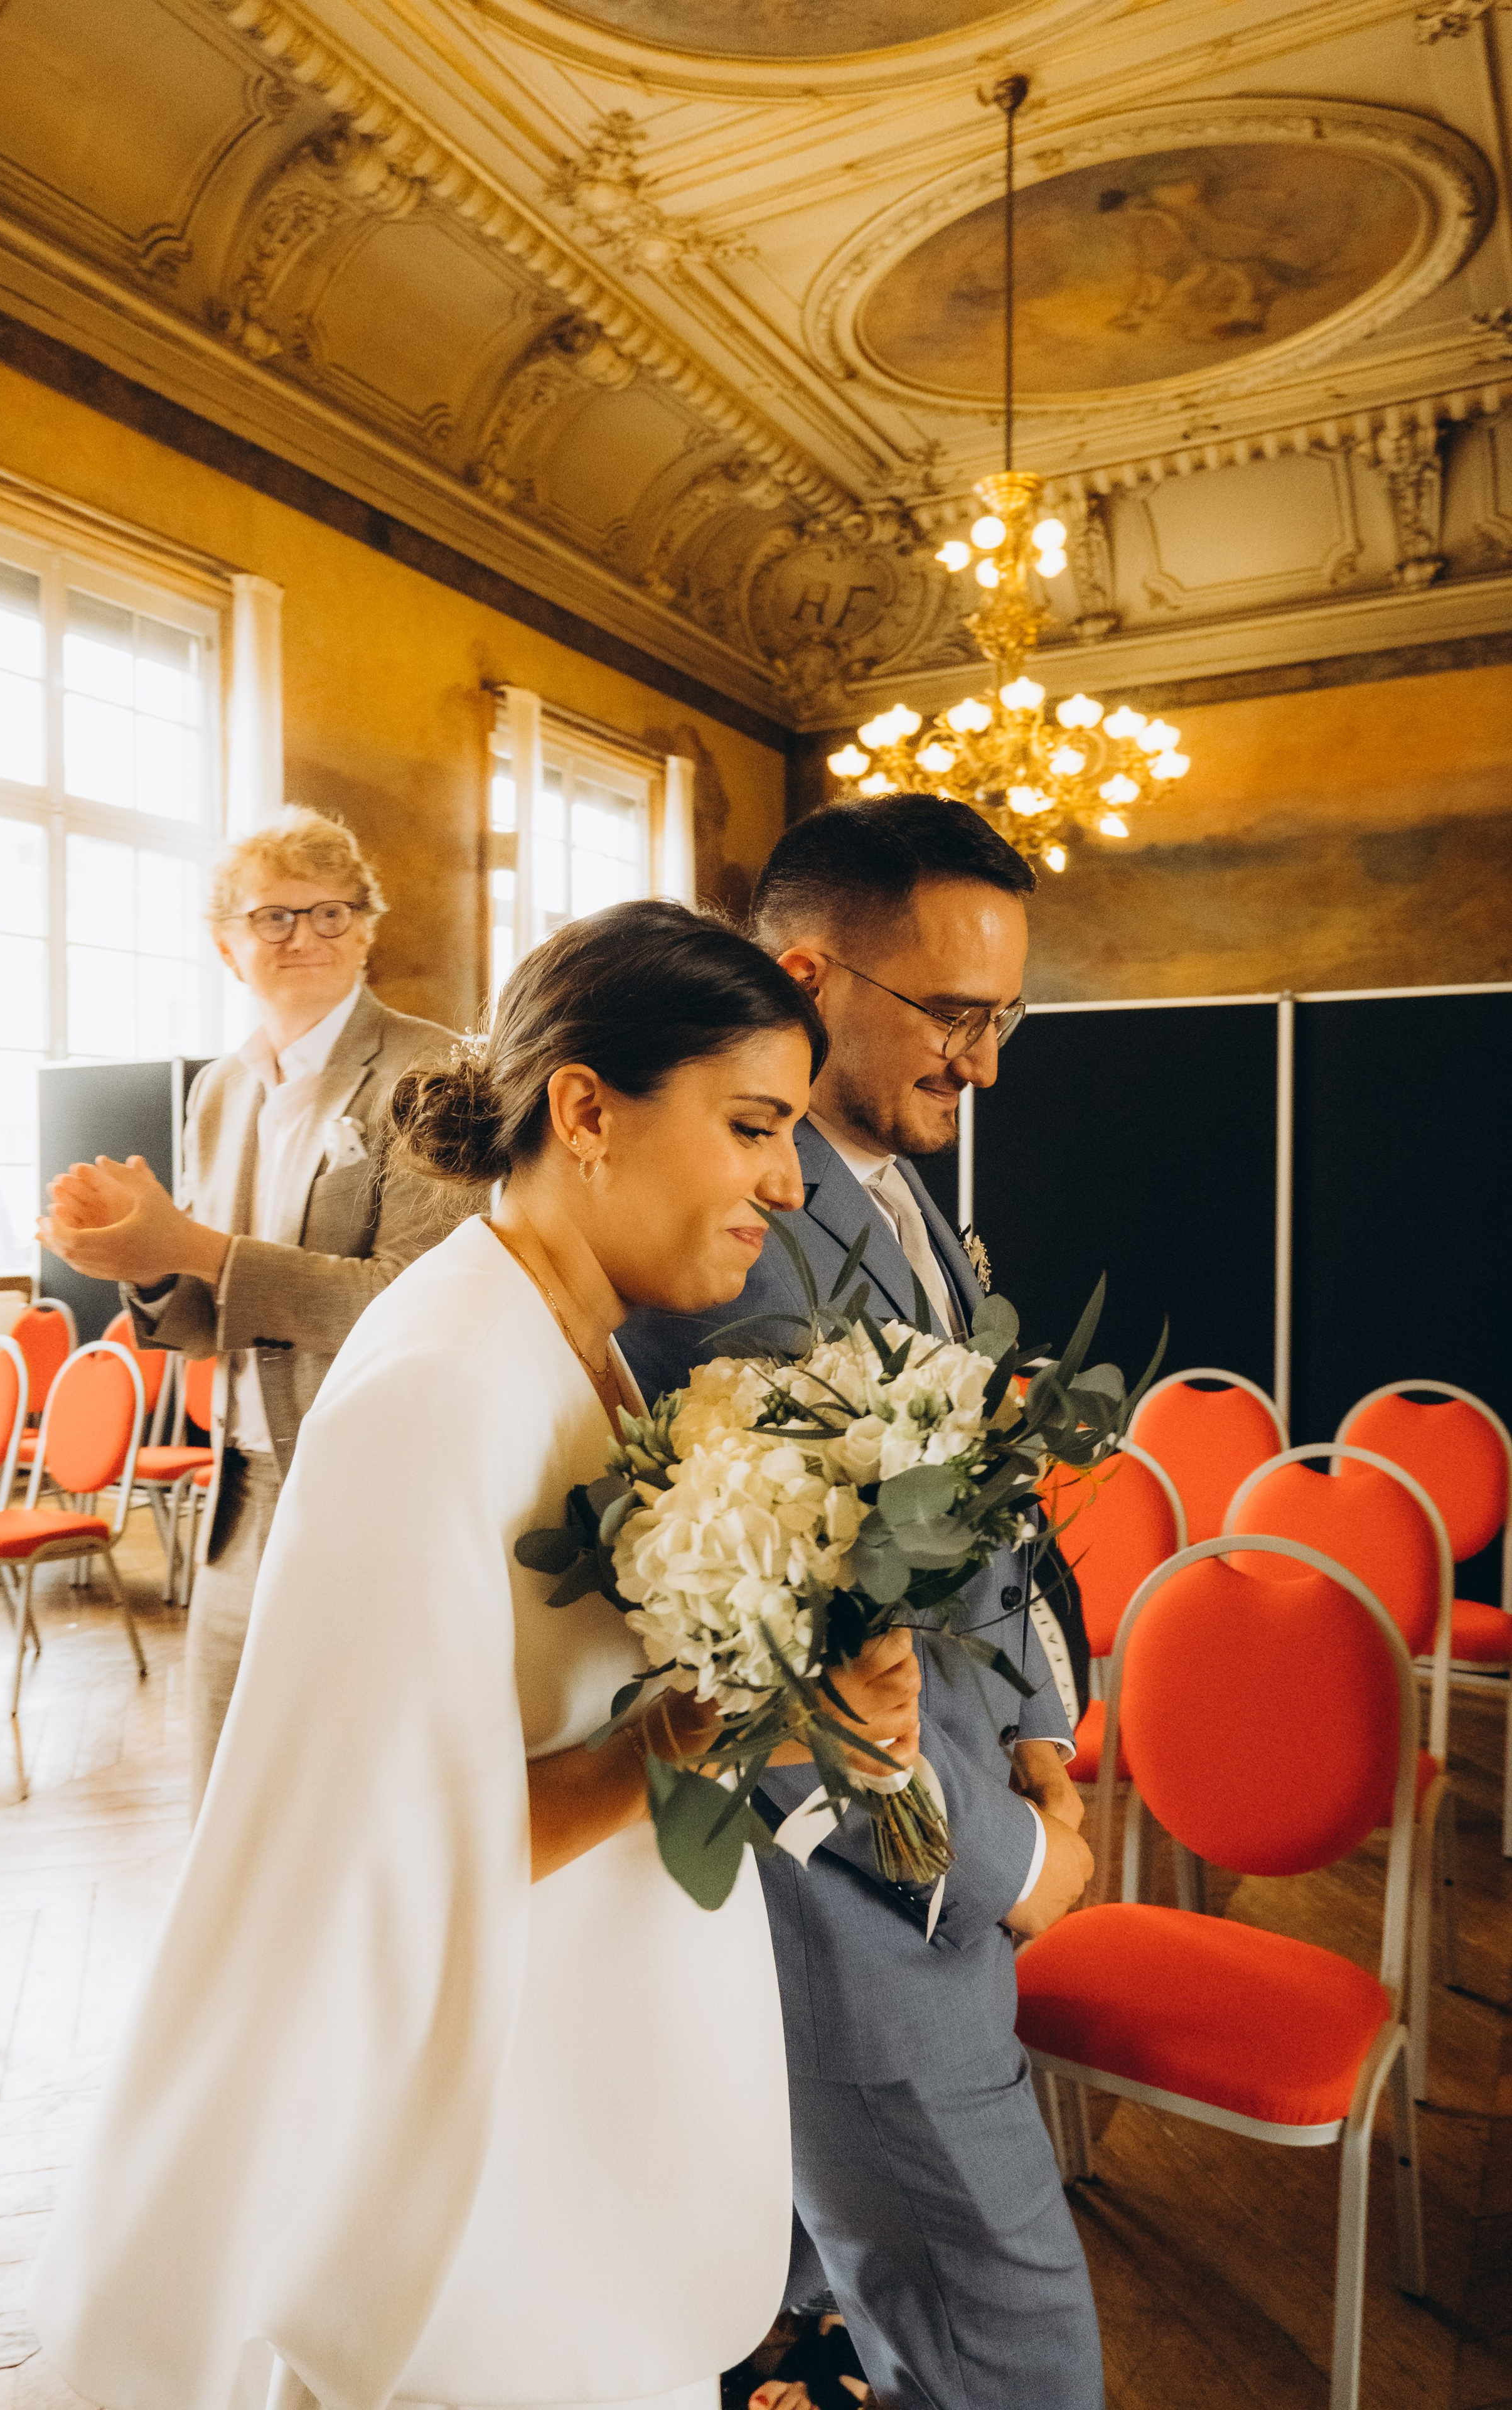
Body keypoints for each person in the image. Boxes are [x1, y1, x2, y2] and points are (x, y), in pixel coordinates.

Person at [29, 897, 923, 2410]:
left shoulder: (578, 1339)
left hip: (579, 2068)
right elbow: (372, 1854)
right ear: (585, 1108)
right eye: (753, 1124)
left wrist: (793, 1706)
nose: (785, 1179)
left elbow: (546, 1704)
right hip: (480, 2141)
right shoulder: (443, 1380)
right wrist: (712, 1725)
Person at [623, 798, 1103, 2410]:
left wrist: (1039, 1736)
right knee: (1020, 2353)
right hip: (860, 1907)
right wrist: (1011, 1855)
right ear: (809, 975)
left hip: (958, 1816)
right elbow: (779, 1632)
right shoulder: (741, 1243)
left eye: (1001, 1016)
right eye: (954, 1014)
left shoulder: (896, 1199)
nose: (983, 1063)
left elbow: (986, 1530)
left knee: (871, 2328)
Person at [40, 805, 477, 1809]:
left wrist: (191, 1244)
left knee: (352, 1801)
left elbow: (419, 1302)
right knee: (225, 1805)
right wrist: (135, 1258)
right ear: (225, 943)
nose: (306, 939)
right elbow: (210, 1312)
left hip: (376, 1491)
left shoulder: (431, 1071)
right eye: (274, 918)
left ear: (369, 928)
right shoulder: (221, 1091)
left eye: (332, 914)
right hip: (238, 1494)